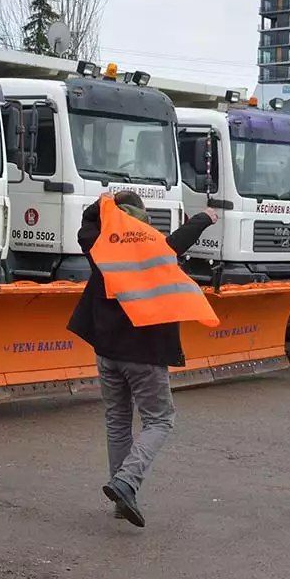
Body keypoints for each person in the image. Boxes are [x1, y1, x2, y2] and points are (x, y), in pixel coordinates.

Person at [68, 191, 217, 527]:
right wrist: (206, 217)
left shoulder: (100, 249)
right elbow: (181, 238)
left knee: (118, 421)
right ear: (145, 224)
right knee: (160, 420)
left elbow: (87, 222)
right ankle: (126, 482)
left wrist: (107, 201)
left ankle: (123, 500)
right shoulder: (157, 251)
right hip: (145, 356)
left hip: (107, 352)